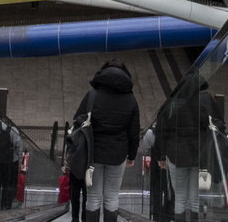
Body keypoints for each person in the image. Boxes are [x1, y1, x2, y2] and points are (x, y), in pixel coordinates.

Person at [71, 58, 141, 222]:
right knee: (111, 197)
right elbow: (134, 132)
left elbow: (77, 120)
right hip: (118, 155)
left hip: (93, 155)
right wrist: (131, 155)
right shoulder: (131, 99)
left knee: (94, 197)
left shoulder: (93, 95)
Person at [155, 73, 214, 222]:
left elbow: (161, 133)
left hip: (176, 156)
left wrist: (161, 156)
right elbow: (207, 131)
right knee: (194, 198)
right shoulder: (202, 105)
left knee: (180, 197)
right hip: (197, 156)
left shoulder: (170, 105)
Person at [0, 114, 23, 211]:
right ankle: (6, 206)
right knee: (8, 186)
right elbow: (19, 146)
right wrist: (20, 162)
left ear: (0, 118)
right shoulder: (14, 130)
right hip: (11, 163)